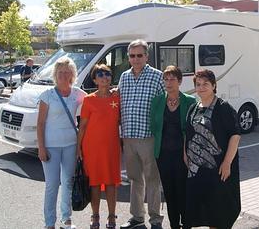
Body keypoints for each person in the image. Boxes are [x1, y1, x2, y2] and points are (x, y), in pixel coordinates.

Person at [184, 69, 242, 229]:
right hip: (197, 171)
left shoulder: (223, 108)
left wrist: (227, 162)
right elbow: (188, 132)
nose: (201, 87)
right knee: (205, 212)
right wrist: (185, 154)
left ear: (214, 85)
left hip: (217, 170)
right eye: (198, 84)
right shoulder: (193, 107)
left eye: (205, 84)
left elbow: (235, 136)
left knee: (218, 214)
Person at [118, 39, 165, 229]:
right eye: (132, 56)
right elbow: (118, 98)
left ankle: (155, 220)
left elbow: (167, 102)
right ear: (128, 58)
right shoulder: (124, 77)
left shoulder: (157, 76)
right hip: (128, 137)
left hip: (148, 137)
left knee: (153, 180)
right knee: (135, 179)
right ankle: (137, 218)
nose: (135, 59)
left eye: (139, 55)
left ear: (146, 56)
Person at [37, 57, 86, 229]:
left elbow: (94, 102)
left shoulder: (78, 94)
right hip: (50, 146)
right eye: (60, 72)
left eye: (67, 72)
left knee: (67, 182)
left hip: (71, 145)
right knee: (52, 185)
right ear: (55, 74)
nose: (64, 75)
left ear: (73, 74)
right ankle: (49, 223)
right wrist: (41, 148)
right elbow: (40, 123)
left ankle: (66, 219)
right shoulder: (47, 95)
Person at [150, 66, 197, 229]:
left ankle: (187, 223)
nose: (168, 83)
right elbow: (153, 125)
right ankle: (174, 225)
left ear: (180, 81)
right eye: (166, 79)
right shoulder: (157, 101)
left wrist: (187, 151)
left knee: (183, 191)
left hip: (183, 155)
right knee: (169, 192)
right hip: (162, 154)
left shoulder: (190, 101)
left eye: (172, 79)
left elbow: (192, 130)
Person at [77, 64, 121, 229]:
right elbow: (82, 126)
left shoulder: (117, 97)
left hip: (111, 147)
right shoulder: (89, 100)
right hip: (92, 148)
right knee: (94, 184)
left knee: (111, 183)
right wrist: (78, 148)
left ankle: (111, 216)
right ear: (95, 80)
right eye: (100, 75)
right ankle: (95, 216)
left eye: (107, 74)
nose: (105, 77)